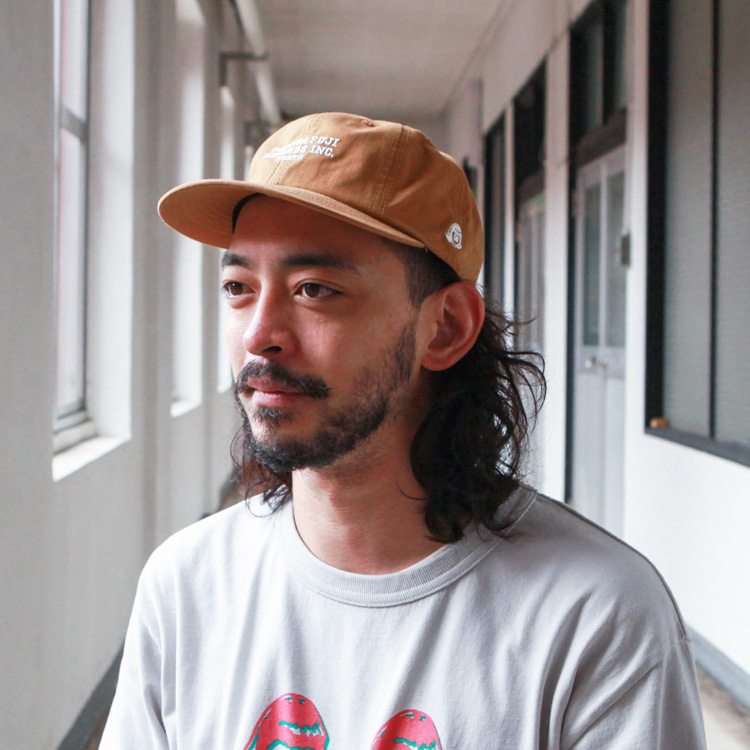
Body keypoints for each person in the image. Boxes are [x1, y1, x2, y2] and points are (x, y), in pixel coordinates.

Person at [101, 112, 706, 749]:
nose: (259, 335)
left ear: (445, 328)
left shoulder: (597, 617)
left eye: (315, 289)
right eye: (238, 286)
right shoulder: (186, 587)